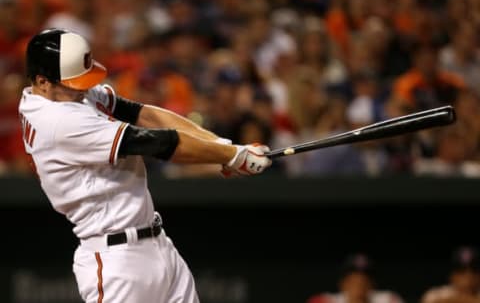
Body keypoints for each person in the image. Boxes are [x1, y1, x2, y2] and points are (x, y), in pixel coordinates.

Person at [18, 28, 272, 303]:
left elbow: (145, 115)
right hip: (116, 261)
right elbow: (160, 143)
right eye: (73, 84)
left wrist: (225, 147)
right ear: (42, 82)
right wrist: (230, 156)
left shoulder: (60, 94)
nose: (83, 90)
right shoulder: (57, 121)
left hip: (157, 244)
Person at [307, 253, 404, 303]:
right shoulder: (324, 300)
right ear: (342, 284)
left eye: (364, 282)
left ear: (372, 284)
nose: (359, 286)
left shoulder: (388, 299)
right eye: (353, 281)